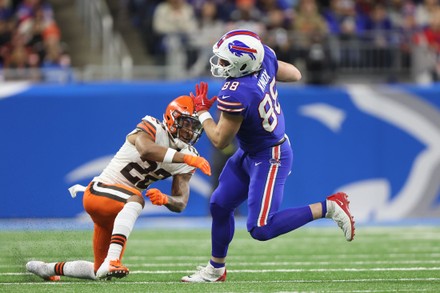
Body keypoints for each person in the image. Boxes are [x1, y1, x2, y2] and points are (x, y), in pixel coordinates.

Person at [181, 29, 355, 283]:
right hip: (252, 151)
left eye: (225, 61)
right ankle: (216, 270)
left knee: (261, 228)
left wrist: (202, 113)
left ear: (243, 63)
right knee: (220, 204)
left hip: (270, 155)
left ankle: (328, 207)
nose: (219, 65)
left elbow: (220, 140)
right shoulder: (263, 60)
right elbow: (295, 74)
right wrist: (266, 79)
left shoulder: (236, 93)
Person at [26, 95, 211, 281]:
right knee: (136, 198)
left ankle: (46, 269)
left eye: (194, 127)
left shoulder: (189, 156)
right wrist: (185, 158)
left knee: (98, 272)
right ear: (172, 118)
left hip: (118, 211)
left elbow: (181, 203)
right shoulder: (153, 127)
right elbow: (146, 149)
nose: (190, 131)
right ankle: (113, 259)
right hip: (99, 192)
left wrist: (166, 199)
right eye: (186, 123)